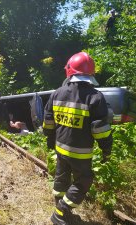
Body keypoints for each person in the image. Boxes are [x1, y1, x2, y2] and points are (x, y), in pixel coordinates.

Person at [42, 52, 113, 225]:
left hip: (60, 148)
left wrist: (50, 140)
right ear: (90, 74)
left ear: (70, 71)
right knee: (84, 180)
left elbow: (48, 121)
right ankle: (61, 212)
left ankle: (59, 206)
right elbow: (100, 130)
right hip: (80, 153)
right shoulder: (95, 97)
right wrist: (106, 150)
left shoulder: (57, 93)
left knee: (61, 177)